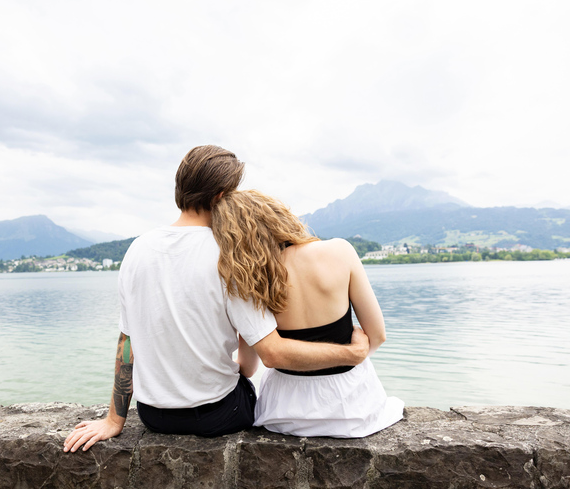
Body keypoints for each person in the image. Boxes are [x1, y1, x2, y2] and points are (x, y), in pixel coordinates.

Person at [64, 145, 370, 452]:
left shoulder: (136, 250)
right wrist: (351, 354)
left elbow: (126, 342)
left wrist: (113, 421)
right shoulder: (230, 256)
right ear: (221, 197)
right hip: (217, 416)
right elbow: (272, 355)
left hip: (152, 416)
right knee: (248, 387)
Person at [211, 189, 404, 438]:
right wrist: (350, 356)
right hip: (352, 408)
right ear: (279, 216)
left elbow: (248, 368)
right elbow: (377, 336)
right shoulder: (340, 251)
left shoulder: (250, 281)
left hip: (284, 412)